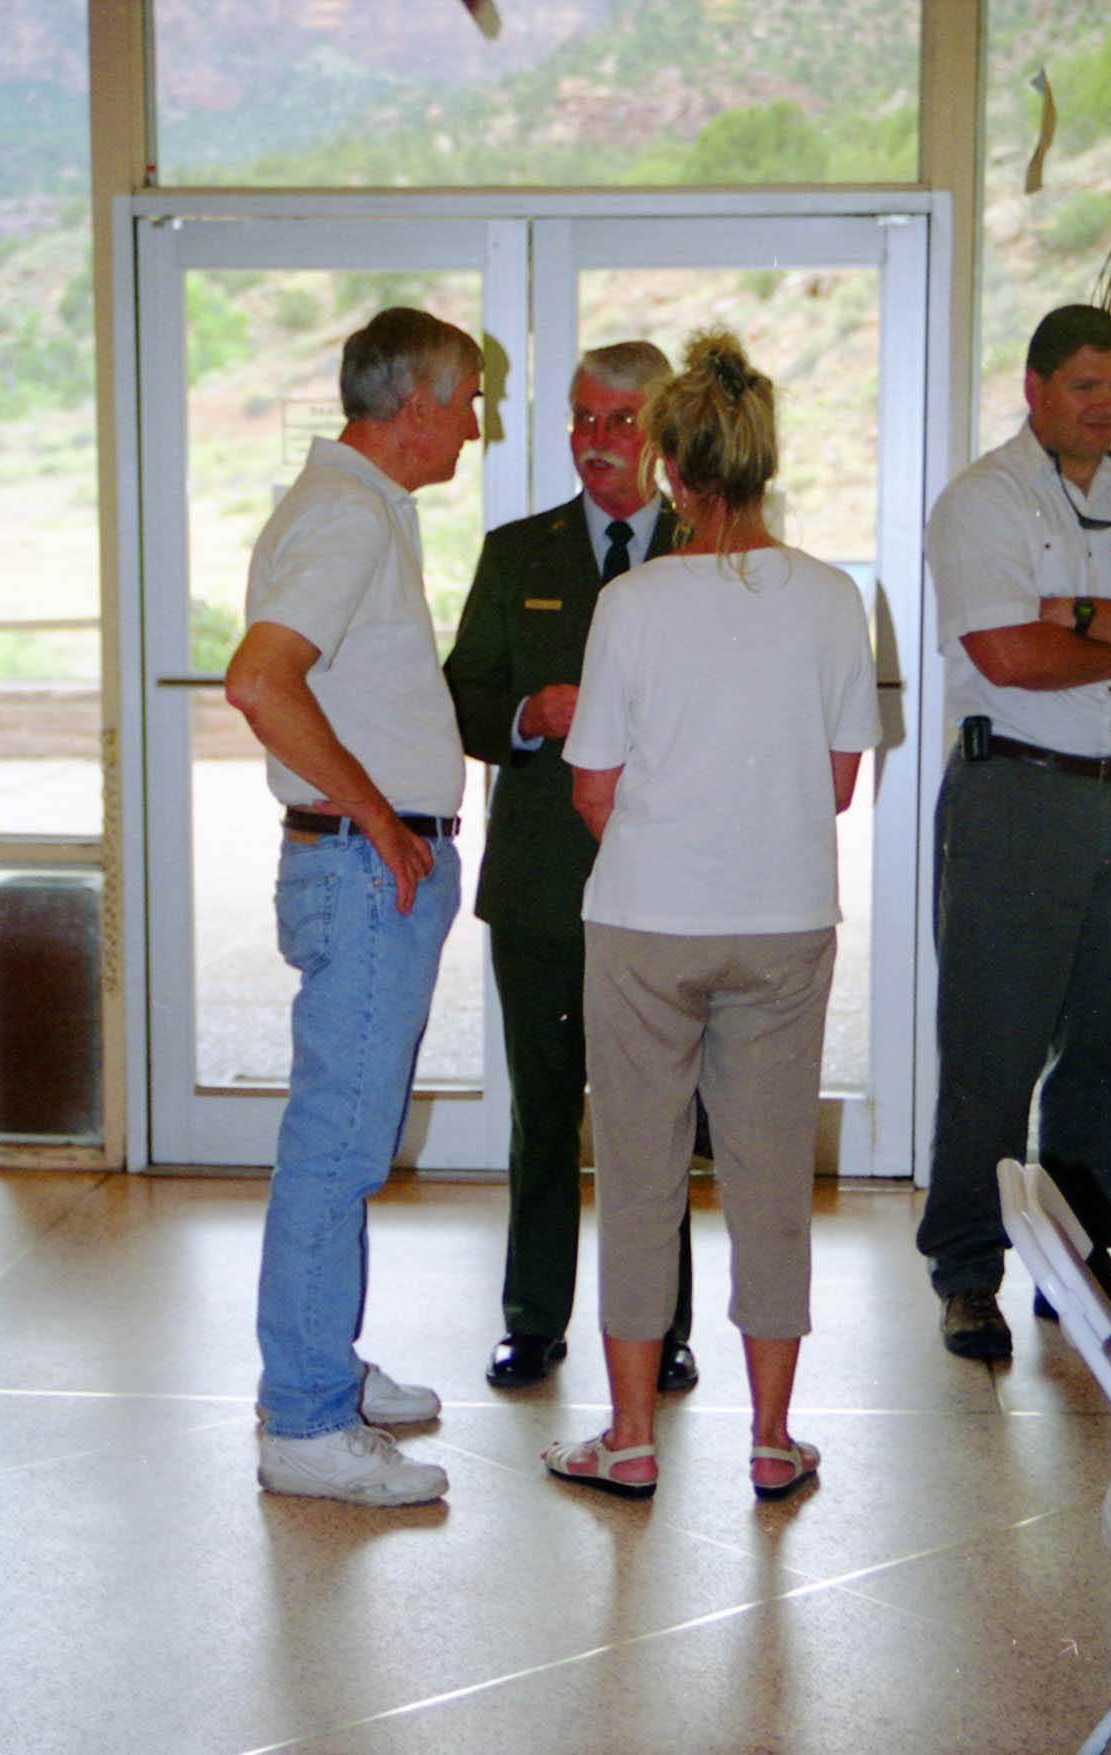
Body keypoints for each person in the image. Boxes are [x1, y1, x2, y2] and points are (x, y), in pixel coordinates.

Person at [542, 330, 881, 1499]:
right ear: (761, 464)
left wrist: (660, 849)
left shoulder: (632, 603)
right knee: (770, 1181)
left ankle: (630, 1440)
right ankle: (773, 1441)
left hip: (645, 923)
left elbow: (593, 786)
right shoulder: (837, 601)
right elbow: (839, 784)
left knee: (637, 1179)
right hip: (786, 921)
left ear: (673, 475)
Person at [225, 307, 483, 1505]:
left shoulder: (357, 507)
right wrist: (380, 821)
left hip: (366, 867)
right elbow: (259, 681)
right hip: (363, 867)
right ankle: (307, 1421)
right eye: (468, 399)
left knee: (350, 1137)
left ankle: (322, 1361)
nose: (475, 425)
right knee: (337, 1147)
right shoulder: (344, 515)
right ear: (413, 404)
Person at [446, 341, 698, 1391]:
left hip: (676, 882)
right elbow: (457, 697)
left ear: (666, 432)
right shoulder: (519, 552)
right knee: (545, 1109)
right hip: (546, 880)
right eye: (582, 421)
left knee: (659, 1114)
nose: (596, 442)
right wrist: (525, 715)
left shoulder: (711, 548)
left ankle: (665, 1327)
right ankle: (533, 1317)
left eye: (621, 422)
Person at [917, 303, 1111, 1361]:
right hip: (1015, 791)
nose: (1104, 406)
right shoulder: (984, 499)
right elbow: (1007, 660)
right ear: (1034, 388)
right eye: (1083, 387)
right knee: (995, 1049)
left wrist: (1066, 611)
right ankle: (969, 1269)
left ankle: (1079, 1259)